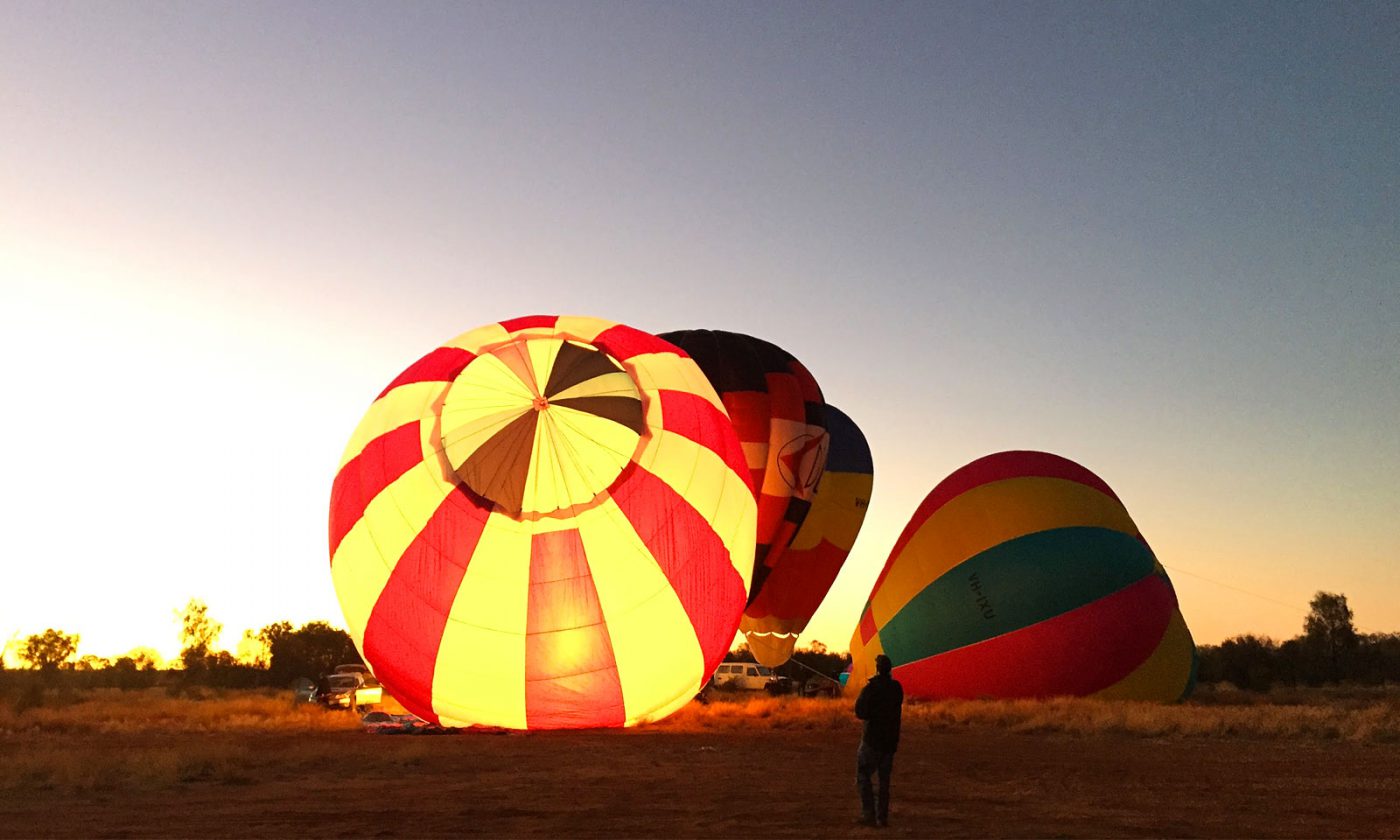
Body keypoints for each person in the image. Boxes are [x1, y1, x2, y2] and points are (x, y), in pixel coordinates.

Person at [854, 654, 903, 827]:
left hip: (872, 740)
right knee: (884, 782)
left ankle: (869, 814)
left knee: (863, 775)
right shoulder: (897, 688)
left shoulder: (871, 688)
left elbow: (860, 711)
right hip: (889, 743)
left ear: (877, 668)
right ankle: (882, 817)